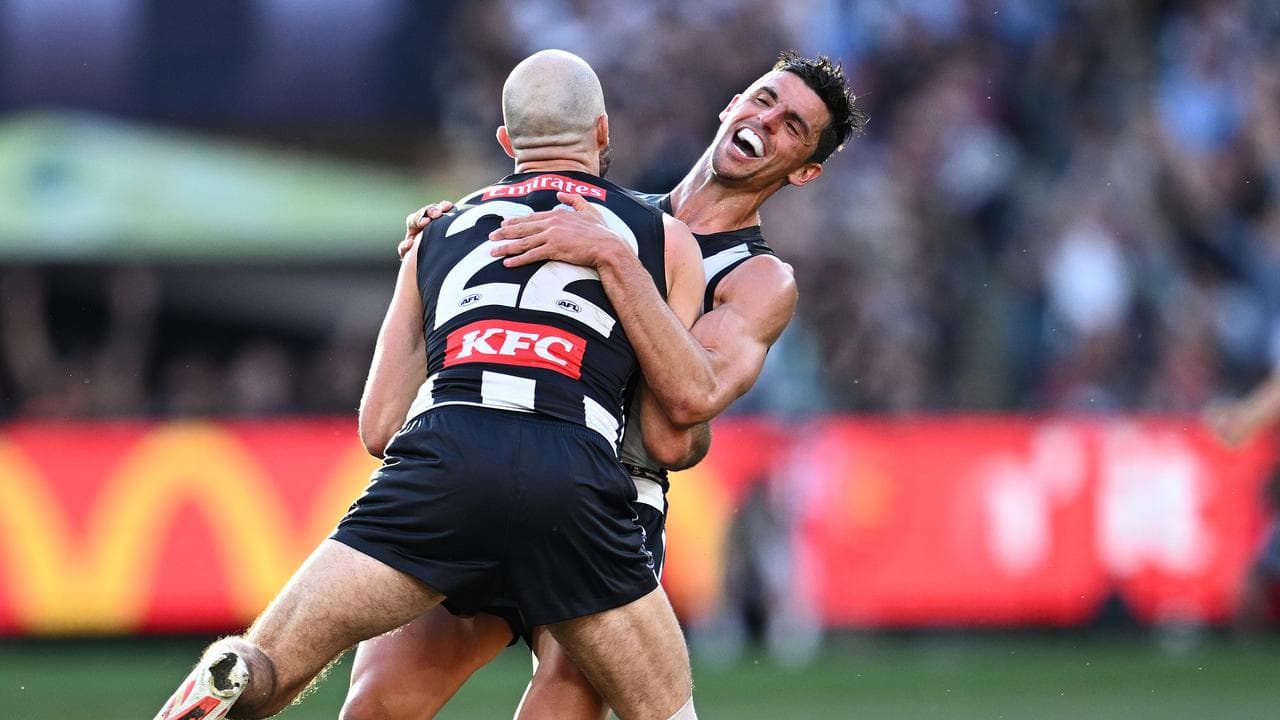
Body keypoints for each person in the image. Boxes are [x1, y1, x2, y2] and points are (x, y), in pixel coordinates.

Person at [152, 49, 708, 720]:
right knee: (664, 708)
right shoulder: (662, 237)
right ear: (601, 132)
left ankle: (228, 672)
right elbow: (679, 419)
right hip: (573, 469)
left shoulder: (436, 231)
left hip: (445, 453)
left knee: (271, 665)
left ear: (507, 143)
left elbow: (381, 427)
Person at [343, 51, 865, 720]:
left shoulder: (757, 279)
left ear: (805, 169)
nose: (767, 119)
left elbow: (677, 423)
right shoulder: (604, 207)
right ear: (731, 102)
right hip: (501, 452)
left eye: (793, 126)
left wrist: (614, 261)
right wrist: (444, 246)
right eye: (764, 98)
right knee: (379, 701)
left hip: (609, 499)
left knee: (560, 706)